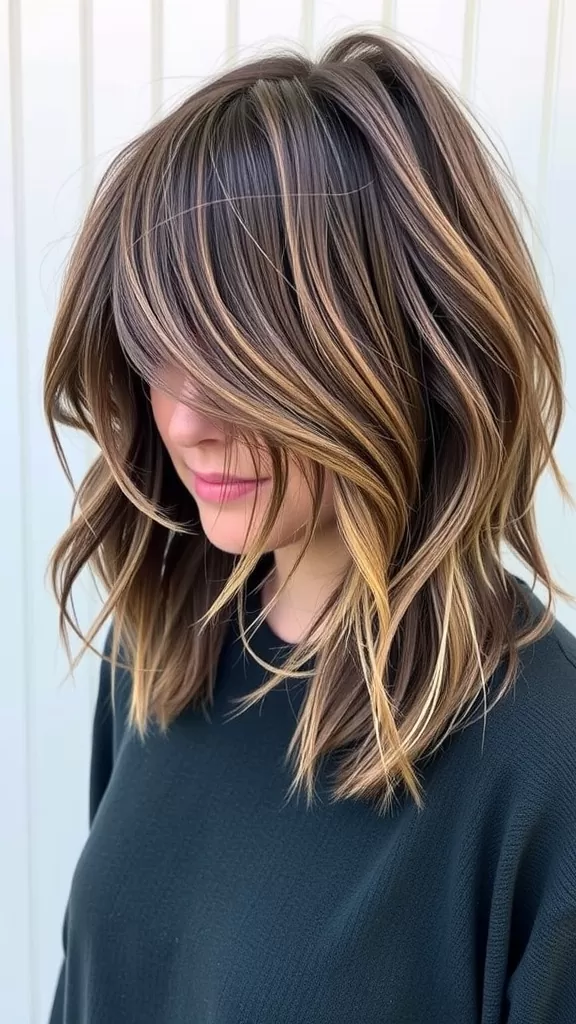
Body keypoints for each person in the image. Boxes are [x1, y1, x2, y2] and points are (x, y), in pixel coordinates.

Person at [44, 29, 576, 1024]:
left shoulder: (543, 765)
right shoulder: (158, 655)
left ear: (396, 346)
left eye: (242, 355)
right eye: (161, 345)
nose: (187, 416)